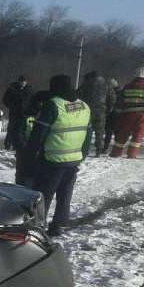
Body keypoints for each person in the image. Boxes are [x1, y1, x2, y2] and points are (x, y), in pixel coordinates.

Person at [23, 74, 91, 236]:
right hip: (74, 159)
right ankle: (58, 225)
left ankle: (37, 228)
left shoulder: (53, 105)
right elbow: (88, 135)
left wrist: (30, 155)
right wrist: (82, 155)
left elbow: (38, 134)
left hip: (53, 160)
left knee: (44, 195)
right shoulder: (84, 106)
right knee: (65, 194)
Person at [110, 67, 144, 159]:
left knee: (122, 134)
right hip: (142, 116)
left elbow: (121, 101)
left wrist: (118, 113)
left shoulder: (127, 86)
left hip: (127, 115)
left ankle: (116, 153)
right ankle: (131, 154)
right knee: (138, 135)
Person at [14, 88, 49, 187]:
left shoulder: (47, 116)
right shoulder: (26, 115)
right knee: (25, 183)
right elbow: (17, 134)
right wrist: (26, 148)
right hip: (26, 155)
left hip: (41, 156)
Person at [77, 70, 111, 156]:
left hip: (87, 111)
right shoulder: (106, 85)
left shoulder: (86, 84)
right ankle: (98, 150)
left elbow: (78, 95)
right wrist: (108, 109)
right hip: (101, 111)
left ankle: (84, 150)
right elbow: (112, 98)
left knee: (86, 131)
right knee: (99, 132)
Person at [2, 76, 32, 150]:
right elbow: (5, 100)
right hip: (14, 113)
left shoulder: (29, 90)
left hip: (24, 113)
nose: (23, 83)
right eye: (21, 81)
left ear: (26, 82)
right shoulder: (12, 89)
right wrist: (11, 106)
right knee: (11, 129)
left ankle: (20, 146)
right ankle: (8, 145)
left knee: (22, 130)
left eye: (24, 81)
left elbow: (32, 100)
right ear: (18, 82)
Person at [104, 77, 120, 150]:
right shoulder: (120, 92)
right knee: (116, 133)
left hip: (110, 114)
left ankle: (105, 148)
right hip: (117, 114)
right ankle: (116, 148)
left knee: (108, 133)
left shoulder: (107, 91)